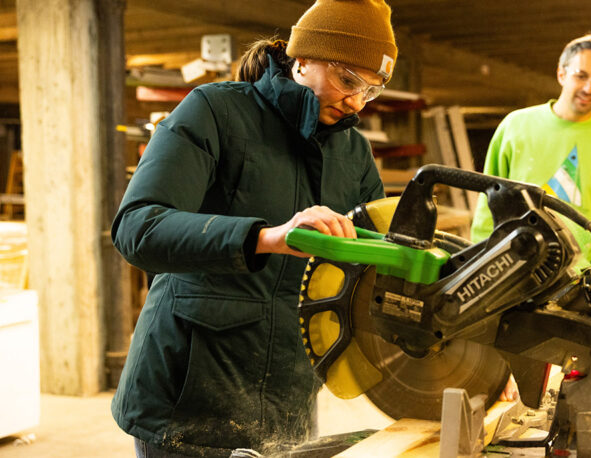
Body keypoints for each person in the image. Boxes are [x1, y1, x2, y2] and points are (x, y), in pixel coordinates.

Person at [110, 1, 397, 456]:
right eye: (348, 81)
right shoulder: (215, 112)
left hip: (289, 401)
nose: (356, 102)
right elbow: (138, 228)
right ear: (303, 58)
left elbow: (379, 260)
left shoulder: (353, 153)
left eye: (371, 90)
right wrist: (266, 237)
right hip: (187, 400)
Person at [471, 33, 591, 278]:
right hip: (510, 270)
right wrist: (483, 260)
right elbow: (487, 202)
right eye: (581, 76)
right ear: (561, 73)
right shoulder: (516, 126)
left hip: (579, 279)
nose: (589, 88)